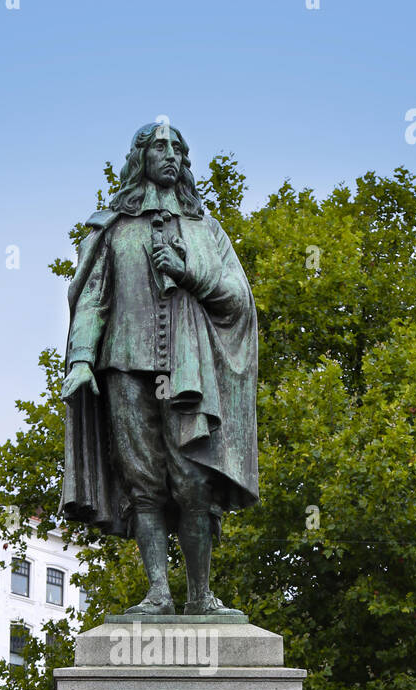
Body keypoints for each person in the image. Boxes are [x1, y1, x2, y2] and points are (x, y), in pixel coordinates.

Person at [60, 119, 258, 617]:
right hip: (124, 367)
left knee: (193, 482)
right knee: (143, 483)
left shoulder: (206, 230)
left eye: (177, 148)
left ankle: (200, 596)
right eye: (159, 146)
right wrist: (81, 358)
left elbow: (240, 300)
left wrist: (188, 272)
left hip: (189, 372)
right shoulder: (113, 229)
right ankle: (157, 593)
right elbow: (92, 300)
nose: (170, 154)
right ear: (140, 158)